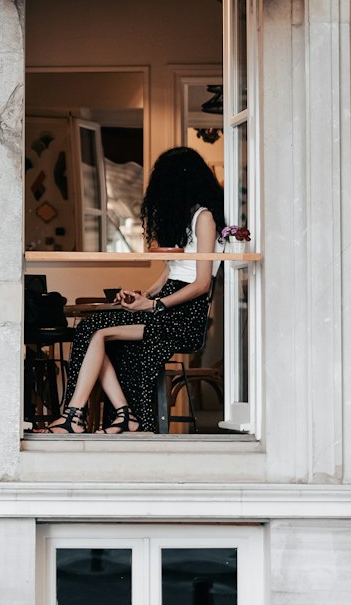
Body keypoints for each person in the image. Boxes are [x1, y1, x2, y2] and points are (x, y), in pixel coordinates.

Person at [49, 146, 225, 434]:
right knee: (92, 329)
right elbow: (172, 270)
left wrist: (156, 305)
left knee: (95, 330)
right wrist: (144, 295)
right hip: (167, 303)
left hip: (183, 316)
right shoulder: (189, 218)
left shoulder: (204, 218)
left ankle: (75, 415)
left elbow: (201, 283)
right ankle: (118, 414)